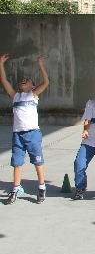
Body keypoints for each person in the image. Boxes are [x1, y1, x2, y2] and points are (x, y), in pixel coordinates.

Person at [1, 54, 49, 204]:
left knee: (37, 161)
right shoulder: (15, 96)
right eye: (22, 80)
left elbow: (46, 82)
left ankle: (41, 187)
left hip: (32, 134)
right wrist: (1, 64)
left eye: (27, 80)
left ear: (32, 87)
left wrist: (40, 65)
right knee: (17, 162)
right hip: (18, 135)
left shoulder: (33, 95)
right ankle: (16, 188)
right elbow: (4, 80)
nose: (23, 80)